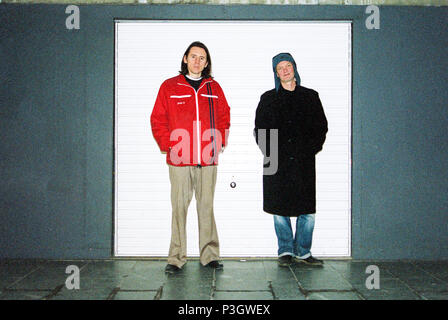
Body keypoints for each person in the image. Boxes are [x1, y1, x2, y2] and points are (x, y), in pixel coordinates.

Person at [151, 41, 230, 274]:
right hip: (180, 158)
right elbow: (158, 119)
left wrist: (219, 142)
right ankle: (175, 258)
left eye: (202, 58)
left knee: (206, 206)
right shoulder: (169, 87)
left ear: (207, 63)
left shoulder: (213, 87)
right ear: (185, 59)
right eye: (193, 56)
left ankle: (210, 256)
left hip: (207, 158)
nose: (197, 61)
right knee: (179, 208)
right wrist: (169, 145)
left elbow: (225, 115)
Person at [254, 52, 328, 267]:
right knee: (279, 208)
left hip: (303, 161)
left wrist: (308, 150)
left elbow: (321, 128)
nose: (285, 70)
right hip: (275, 161)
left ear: (294, 68)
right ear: (276, 73)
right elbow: (260, 129)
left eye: (288, 65)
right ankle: (285, 250)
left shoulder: (310, 96)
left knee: (307, 210)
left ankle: (303, 252)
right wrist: (272, 152)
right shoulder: (268, 99)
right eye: (280, 67)